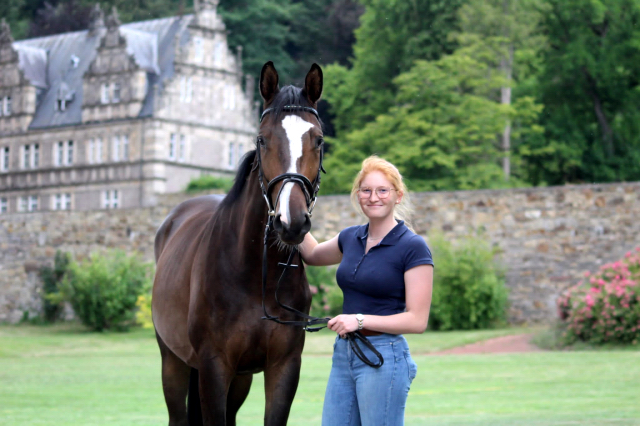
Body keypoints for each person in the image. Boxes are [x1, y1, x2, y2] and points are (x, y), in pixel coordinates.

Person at [299, 155, 434, 426]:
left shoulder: (413, 247)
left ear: (398, 195)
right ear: (358, 195)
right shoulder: (351, 237)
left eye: (383, 190)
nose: (374, 197)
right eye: (366, 190)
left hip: (384, 356)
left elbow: (417, 320)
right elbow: (312, 253)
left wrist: (358, 320)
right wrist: (288, 211)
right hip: (345, 353)